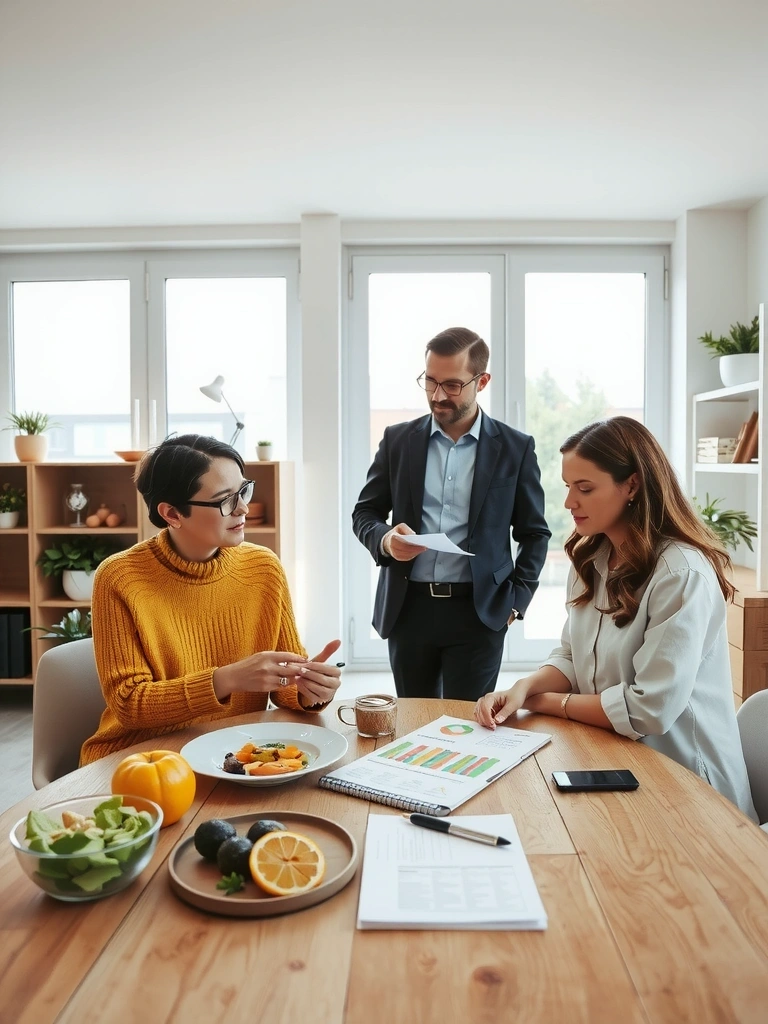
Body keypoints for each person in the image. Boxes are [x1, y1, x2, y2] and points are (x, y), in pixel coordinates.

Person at [474, 416, 757, 820]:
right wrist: (524, 687)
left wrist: (544, 702)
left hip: (691, 789)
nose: (570, 502)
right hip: (616, 761)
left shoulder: (680, 574)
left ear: (632, 485)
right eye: (568, 487)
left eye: (585, 488)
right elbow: (573, 656)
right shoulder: (592, 559)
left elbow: (647, 710)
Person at [80, 434, 342, 765]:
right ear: (172, 513)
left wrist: (309, 689)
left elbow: (282, 684)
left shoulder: (263, 567)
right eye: (225, 500)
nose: (244, 508)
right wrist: (227, 679)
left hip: (231, 756)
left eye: (243, 490)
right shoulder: (119, 578)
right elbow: (130, 704)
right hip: (140, 759)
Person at [352, 326, 550, 701]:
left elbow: (535, 534)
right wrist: (386, 540)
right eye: (430, 382)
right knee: (412, 726)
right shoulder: (398, 441)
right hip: (408, 610)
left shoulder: (515, 448)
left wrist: (515, 604)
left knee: (468, 731)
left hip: (480, 614)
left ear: (482, 380)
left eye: (453, 385)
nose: (438, 396)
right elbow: (365, 512)